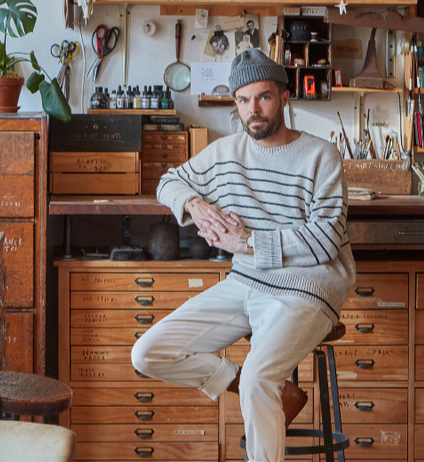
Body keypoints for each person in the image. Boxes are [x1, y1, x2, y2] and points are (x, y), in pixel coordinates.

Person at [131, 49, 356, 462]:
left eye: (264, 97)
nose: (254, 110)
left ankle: (262, 388)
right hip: (246, 282)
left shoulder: (321, 156)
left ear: (284, 97)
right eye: (243, 99)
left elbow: (325, 242)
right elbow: (169, 181)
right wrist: (196, 205)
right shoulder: (226, 152)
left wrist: (249, 242)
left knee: (257, 378)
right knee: (147, 353)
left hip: (307, 287)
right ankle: (275, 391)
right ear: (235, 103)